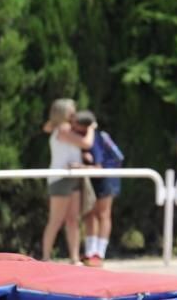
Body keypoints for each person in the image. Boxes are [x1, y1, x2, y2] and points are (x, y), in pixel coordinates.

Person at [41, 98, 95, 264]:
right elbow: (87, 143)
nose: (74, 113)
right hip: (61, 178)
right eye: (71, 110)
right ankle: (46, 257)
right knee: (56, 220)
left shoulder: (65, 129)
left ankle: (74, 257)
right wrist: (92, 128)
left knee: (73, 219)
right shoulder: (63, 129)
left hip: (73, 176)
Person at [73, 110, 124, 268]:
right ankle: (90, 251)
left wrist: (80, 166)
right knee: (90, 213)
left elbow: (98, 165)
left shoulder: (96, 137)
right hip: (94, 178)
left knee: (103, 213)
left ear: (83, 126)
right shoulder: (82, 137)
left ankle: (99, 253)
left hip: (107, 176)